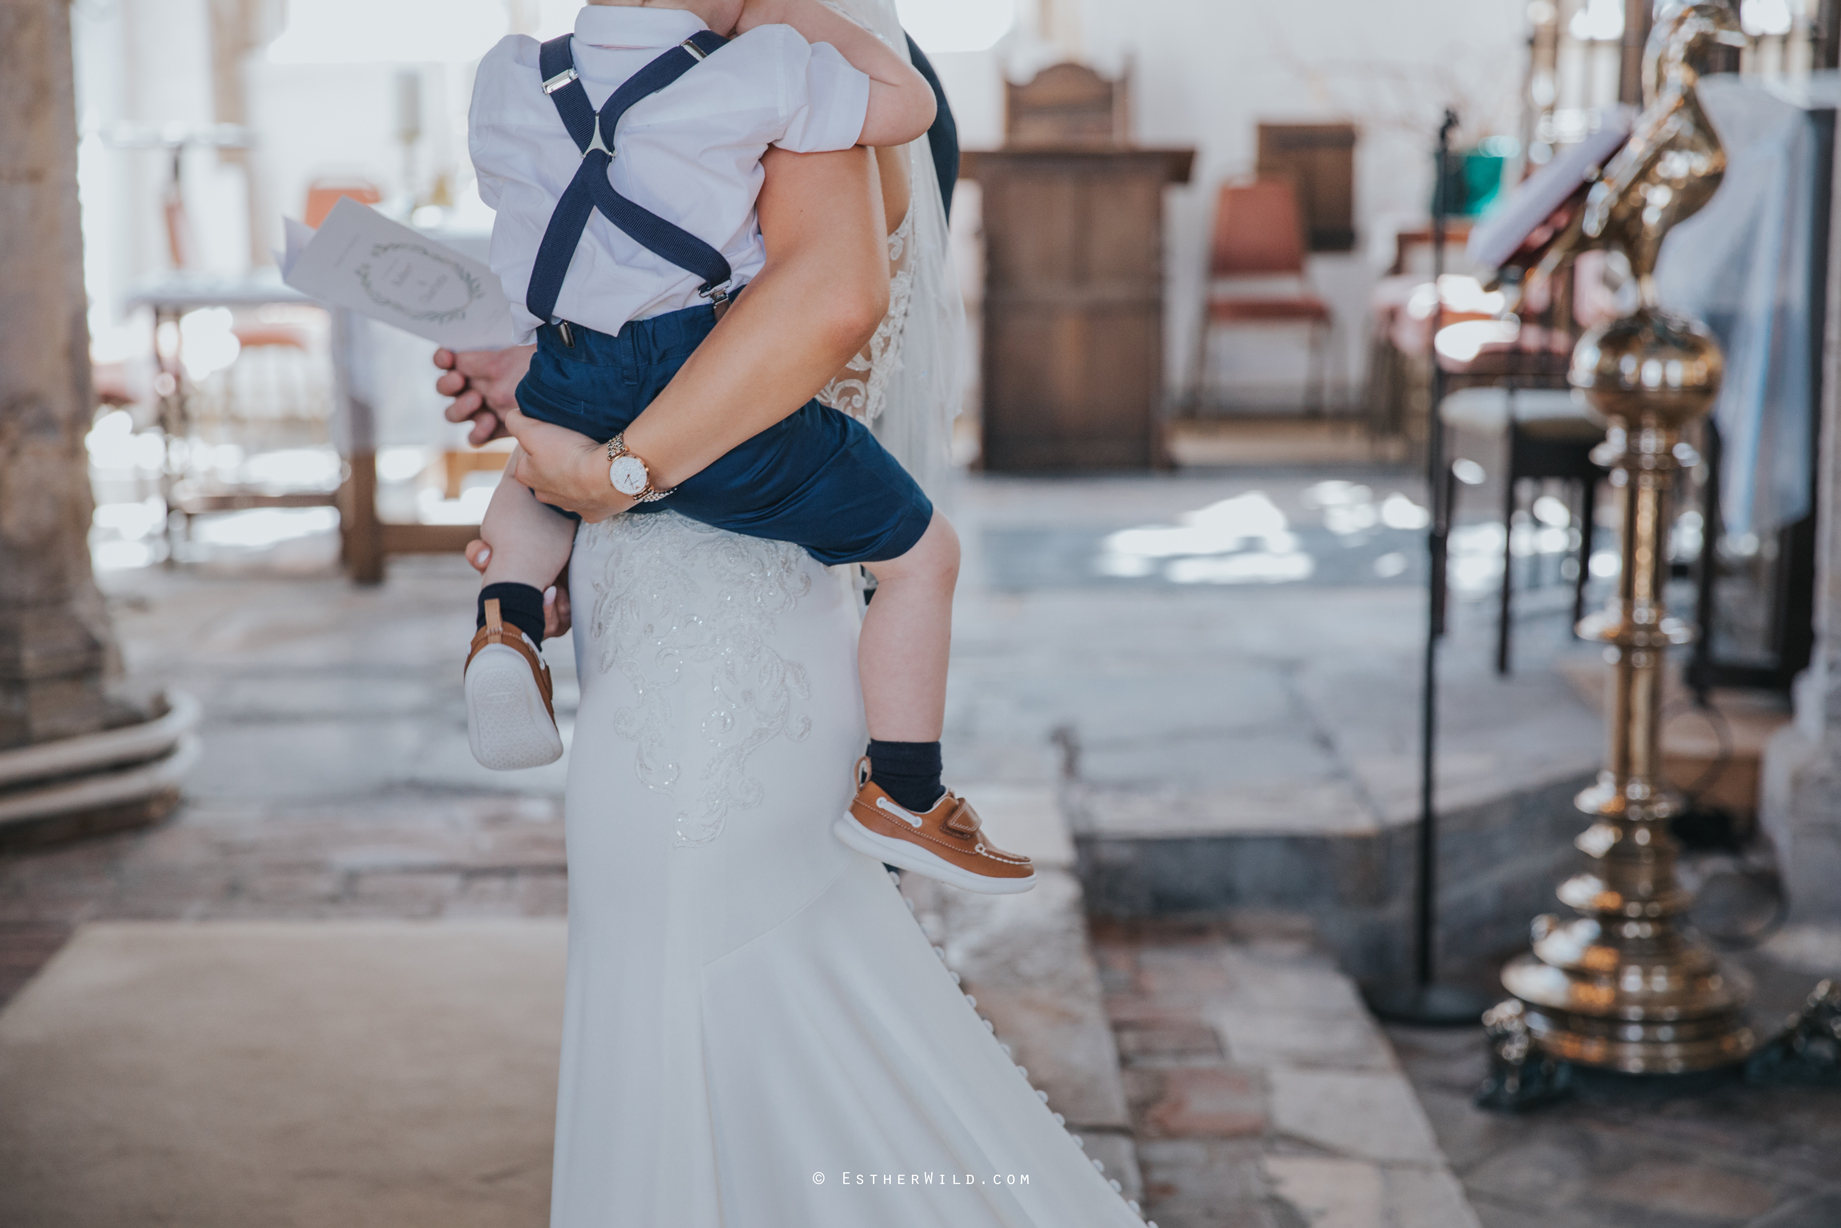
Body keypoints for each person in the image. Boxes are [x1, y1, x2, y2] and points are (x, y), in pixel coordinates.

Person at [435, 12, 1156, 1223]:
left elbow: (825, 307)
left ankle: (504, 613)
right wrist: (525, 378)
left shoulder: (777, 60)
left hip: (723, 603)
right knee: (670, 955)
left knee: (704, 957)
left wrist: (599, 469)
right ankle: (904, 787)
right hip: (663, 575)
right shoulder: (793, 62)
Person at [460, 0, 1033, 894]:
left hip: (570, 354)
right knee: (923, 557)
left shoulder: (511, 72)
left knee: (539, 469)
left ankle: (506, 620)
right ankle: (908, 792)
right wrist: (792, 23)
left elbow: (524, 214)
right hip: (697, 373)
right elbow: (905, 109)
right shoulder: (763, 67)